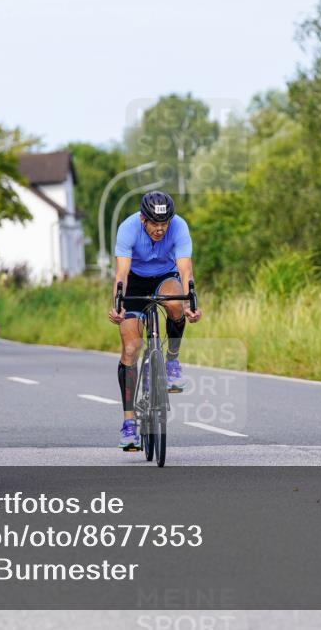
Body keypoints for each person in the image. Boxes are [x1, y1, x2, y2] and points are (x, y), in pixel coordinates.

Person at [107, 191, 202, 451]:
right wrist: (117, 303)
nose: (160, 230)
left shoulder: (179, 226)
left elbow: (185, 269)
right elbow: (122, 272)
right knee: (130, 348)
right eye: (154, 224)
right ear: (142, 219)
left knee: (175, 304)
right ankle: (129, 424)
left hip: (165, 276)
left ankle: (171, 362)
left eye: (164, 224)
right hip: (135, 281)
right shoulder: (128, 228)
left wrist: (190, 303)